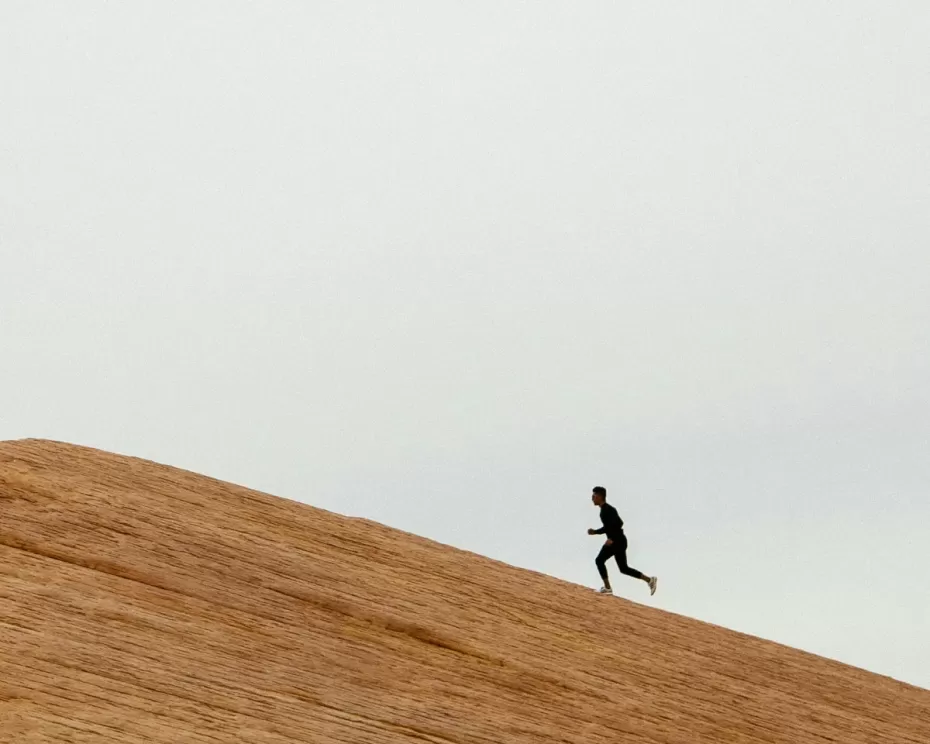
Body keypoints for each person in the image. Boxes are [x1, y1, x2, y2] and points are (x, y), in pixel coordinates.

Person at [587, 486, 657, 596]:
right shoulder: (605, 510)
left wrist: (610, 538)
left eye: (594, 496)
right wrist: (597, 532)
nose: (592, 498)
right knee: (623, 568)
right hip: (620, 541)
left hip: (617, 541)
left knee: (599, 560)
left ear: (600, 496)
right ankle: (649, 580)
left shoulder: (607, 510)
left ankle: (608, 588)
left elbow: (618, 524)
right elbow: (612, 525)